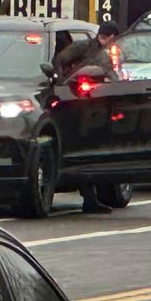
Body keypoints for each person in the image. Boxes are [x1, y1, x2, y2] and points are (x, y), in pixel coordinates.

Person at [53, 22, 121, 213]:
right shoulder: (83, 47)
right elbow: (60, 60)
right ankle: (89, 198)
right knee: (84, 147)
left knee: (95, 150)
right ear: (109, 36)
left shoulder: (106, 52)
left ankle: (93, 198)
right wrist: (63, 82)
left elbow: (110, 74)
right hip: (79, 103)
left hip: (97, 103)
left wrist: (121, 86)